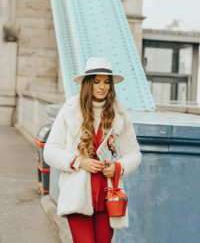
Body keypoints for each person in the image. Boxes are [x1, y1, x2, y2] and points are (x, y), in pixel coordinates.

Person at [43, 57, 142, 243]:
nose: (102, 86)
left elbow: (135, 155)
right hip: (77, 197)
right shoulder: (70, 110)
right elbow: (50, 151)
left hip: (109, 199)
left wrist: (117, 167)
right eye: (97, 81)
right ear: (88, 83)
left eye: (106, 82)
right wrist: (79, 162)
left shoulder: (120, 115)